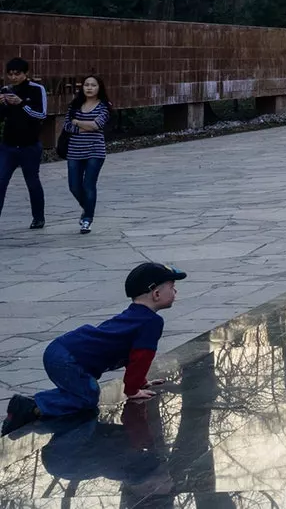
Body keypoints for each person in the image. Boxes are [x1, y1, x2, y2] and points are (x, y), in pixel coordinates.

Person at [3, 262, 186, 434]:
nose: (175, 290)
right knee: (87, 398)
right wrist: (132, 390)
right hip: (69, 359)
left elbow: (130, 353)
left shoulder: (135, 315)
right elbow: (140, 357)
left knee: (80, 391)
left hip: (62, 350)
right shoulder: (151, 322)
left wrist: (139, 381)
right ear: (156, 294)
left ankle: (36, 404)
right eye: (171, 286)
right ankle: (31, 407)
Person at [0, 56, 48, 229]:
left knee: (32, 182)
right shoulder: (6, 89)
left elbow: (41, 114)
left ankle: (38, 217)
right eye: (10, 74)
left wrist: (21, 104)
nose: (14, 77)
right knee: (1, 181)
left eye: (17, 74)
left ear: (26, 73)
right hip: (8, 145)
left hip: (29, 145)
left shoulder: (36, 89)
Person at [64, 75, 112, 234]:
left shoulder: (104, 106)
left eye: (93, 85)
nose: (89, 88)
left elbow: (97, 125)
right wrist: (86, 126)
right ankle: (88, 208)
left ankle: (87, 220)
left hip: (95, 150)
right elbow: (67, 126)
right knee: (74, 186)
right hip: (74, 150)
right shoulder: (74, 105)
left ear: (99, 88)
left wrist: (77, 122)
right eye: (86, 85)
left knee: (88, 185)